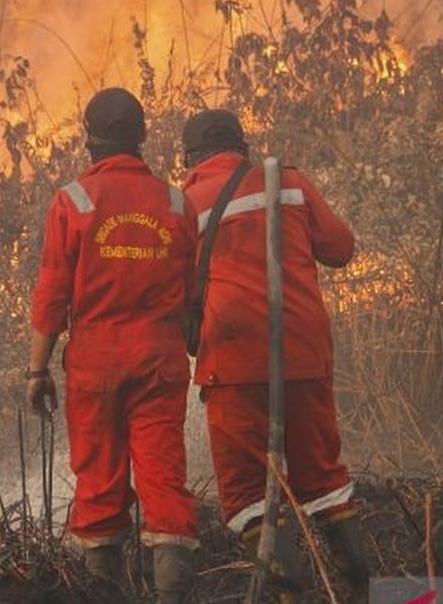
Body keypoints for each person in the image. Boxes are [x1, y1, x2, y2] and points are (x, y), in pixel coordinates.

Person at [180, 109, 370, 602]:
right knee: (323, 480)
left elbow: (173, 290)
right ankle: (357, 587)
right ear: (240, 146)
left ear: (190, 158)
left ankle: (291, 592)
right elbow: (342, 248)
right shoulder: (288, 180)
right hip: (304, 352)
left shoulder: (185, 204)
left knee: (246, 494)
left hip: (233, 362)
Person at [26, 87, 200, 604]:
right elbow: (192, 290)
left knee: (98, 481)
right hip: (160, 359)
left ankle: (105, 592)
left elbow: (52, 291)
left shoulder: (73, 201)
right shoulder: (176, 202)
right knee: (164, 477)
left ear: (88, 140)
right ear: (142, 136)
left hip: (95, 365)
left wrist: (37, 371)